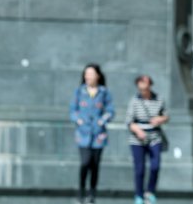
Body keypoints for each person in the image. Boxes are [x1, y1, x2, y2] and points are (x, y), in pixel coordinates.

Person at [70, 64, 115, 204]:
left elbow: (110, 111)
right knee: (85, 162)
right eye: (86, 74)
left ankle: (92, 193)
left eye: (91, 73)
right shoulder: (79, 91)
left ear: (98, 76)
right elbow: (73, 110)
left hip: (98, 134)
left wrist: (102, 121)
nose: (88, 76)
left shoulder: (104, 92)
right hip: (83, 133)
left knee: (95, 164)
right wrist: (79, 120)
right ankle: (81, 191)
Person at [126, 75, 168, 204]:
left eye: (145, 86)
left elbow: (166, 115)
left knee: (155, 166)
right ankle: (139, 195)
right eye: (141, 87)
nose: (143, 90)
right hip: (137, 139)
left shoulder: (159, 99)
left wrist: (160, 119)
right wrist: (138, 131)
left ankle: (150, 192)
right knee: (140, 169)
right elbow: (129, 121)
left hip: (155, 137)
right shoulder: (134, 101)